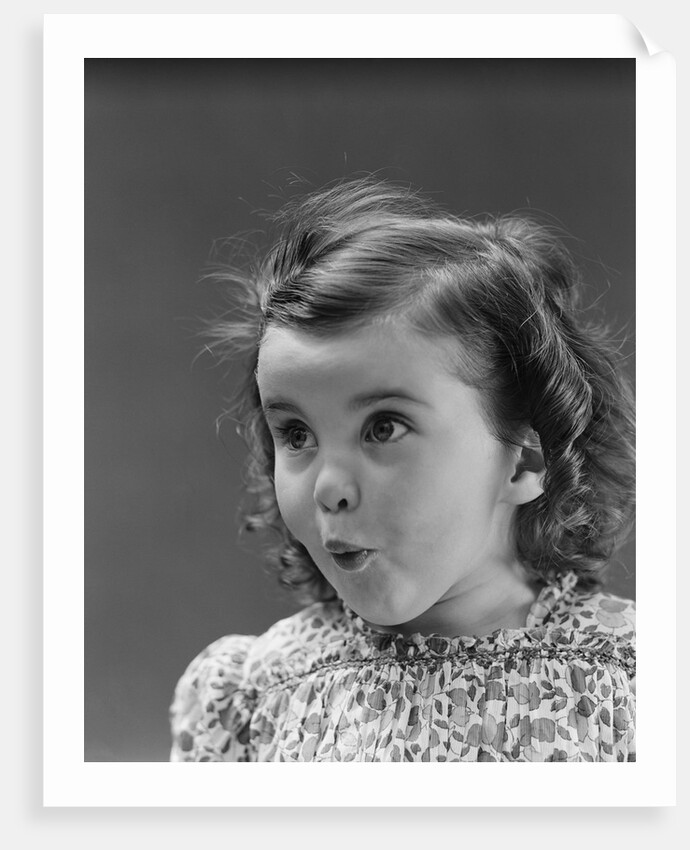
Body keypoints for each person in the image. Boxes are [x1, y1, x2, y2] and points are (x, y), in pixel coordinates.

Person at [169, 177, 635, 762]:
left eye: (383, 428)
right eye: (296, 435)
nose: (329, 486)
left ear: (525, 458)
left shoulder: (637, 686)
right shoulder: (255, 700)